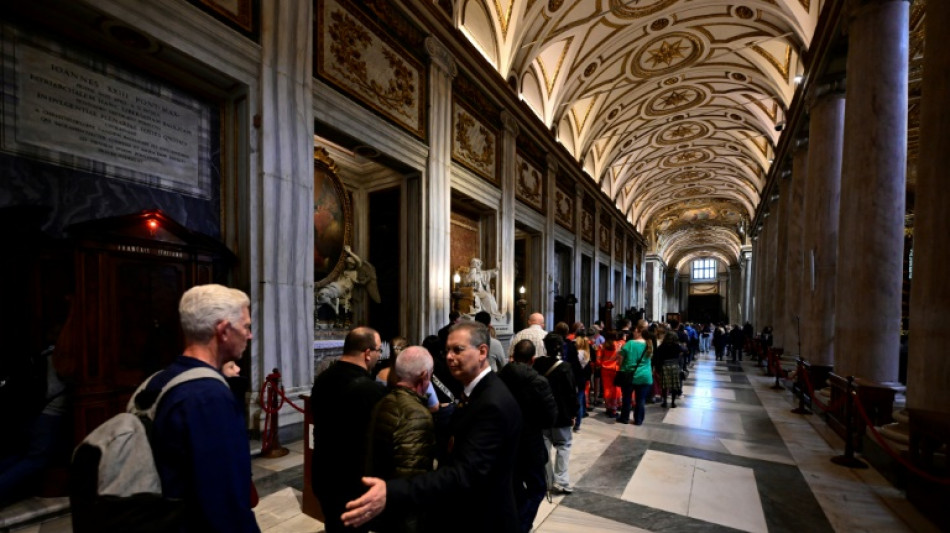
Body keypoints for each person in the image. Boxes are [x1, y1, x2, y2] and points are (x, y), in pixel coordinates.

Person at [341, 322, 523, 533]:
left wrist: (392, 491)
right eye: (447, 350)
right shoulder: (477, 393)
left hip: (484, 519)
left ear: (482, 352)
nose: (449, 357)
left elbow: (464, 474)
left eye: (458, 350)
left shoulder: (492, 402)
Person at [139, 284, 259, 532]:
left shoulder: (158, 380)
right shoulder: (209, 397)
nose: (250, 335)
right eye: (246, 327)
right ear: (224, 330)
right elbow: (225, 501)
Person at [310, 327, 386, 532]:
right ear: (368, 353)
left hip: (323, 473)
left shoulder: (322, 379)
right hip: (351, 481)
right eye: (379, 351)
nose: (379, 356)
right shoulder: (370, 390)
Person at [365, 346, 437, 533]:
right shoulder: (417, 414)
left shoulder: (383, 401)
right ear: (424, 376)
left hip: (385, 502)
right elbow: (412, 476)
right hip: (403, 515)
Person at [498, 340, 557, 533]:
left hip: (504, 442)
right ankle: (521, 526)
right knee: (537, 487)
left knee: (513, 485)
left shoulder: (498, 378)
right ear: (533, 359)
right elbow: (550, 417)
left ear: (512, 356)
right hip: (530, 442)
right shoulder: (539, 382)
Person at [534, 332, 578, 494]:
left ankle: (546, 480)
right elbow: (571, 393)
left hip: (542, 414)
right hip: (561, 414)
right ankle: (561, 481)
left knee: (544, 449)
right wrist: (574, 413)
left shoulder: (537, 364)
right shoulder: (565, 367)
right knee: (563, 446)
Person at [617, 320, 652, 425]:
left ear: (639, 332)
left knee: (627, 398)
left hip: (629, 374)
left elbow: (620, 361)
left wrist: (619, 351)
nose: (633, 333)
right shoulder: (649, 344)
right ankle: (638, 420)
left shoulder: (630, 343)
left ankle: (625, 418)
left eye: (635, 331)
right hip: (645, 375)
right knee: (640, 400)